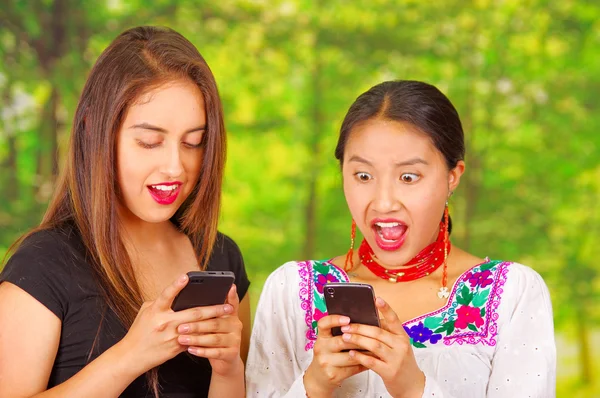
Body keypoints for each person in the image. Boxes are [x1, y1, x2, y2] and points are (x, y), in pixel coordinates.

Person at [246, 80, 555, 397]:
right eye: (363, 176)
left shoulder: (511, 296)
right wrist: (314, 385)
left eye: (409, 177)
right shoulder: (292, 291)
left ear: (453, 176)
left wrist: (412, 388)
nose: (383, 202)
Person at [0, 26, 250, 398]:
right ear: (94, 132)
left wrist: (230, 369)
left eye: (193, 142)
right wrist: (131, 355)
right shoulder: (43, 264)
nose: (175, 167)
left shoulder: (220, 256)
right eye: (150, 142)